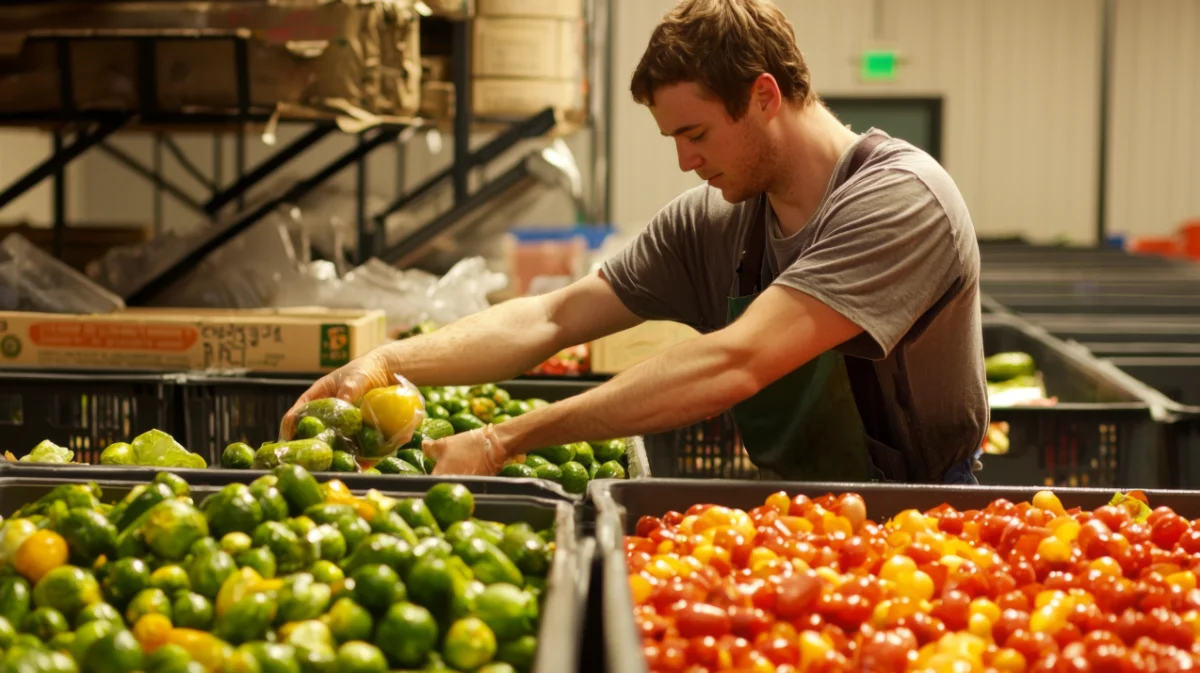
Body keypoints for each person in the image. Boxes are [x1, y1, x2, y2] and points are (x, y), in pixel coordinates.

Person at [281, 0, 989, 483]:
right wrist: (385, 360)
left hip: (920, 517)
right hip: (789, 510)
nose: (685, 162)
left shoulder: (898, 200)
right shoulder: (713, 223)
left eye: (697, 133)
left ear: (766, 97)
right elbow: (553, 317)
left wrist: (505, 439)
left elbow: (733, 364)